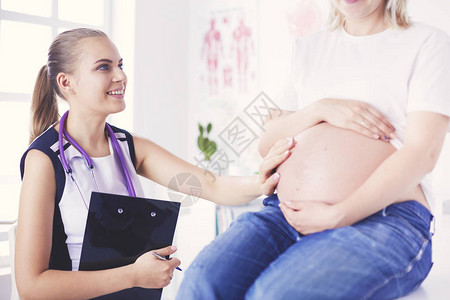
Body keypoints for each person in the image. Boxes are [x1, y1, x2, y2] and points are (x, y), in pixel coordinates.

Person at [177, 0, 450, 299]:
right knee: (200, 286)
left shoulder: (427, 43)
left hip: (385, 218)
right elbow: (267, 141)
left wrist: (340, 214)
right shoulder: (307, 48)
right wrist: (321, 109)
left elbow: (422, 153)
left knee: (279, 294)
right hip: (284, 213)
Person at [16, 28, 293, 299]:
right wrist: (135, 275)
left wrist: (262, 180)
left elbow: (210, 184)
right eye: (104, 67)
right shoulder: (43, 160)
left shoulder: (129, 147)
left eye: (120, 65)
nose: (121, 76)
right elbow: (32, 287)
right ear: (66, 83)